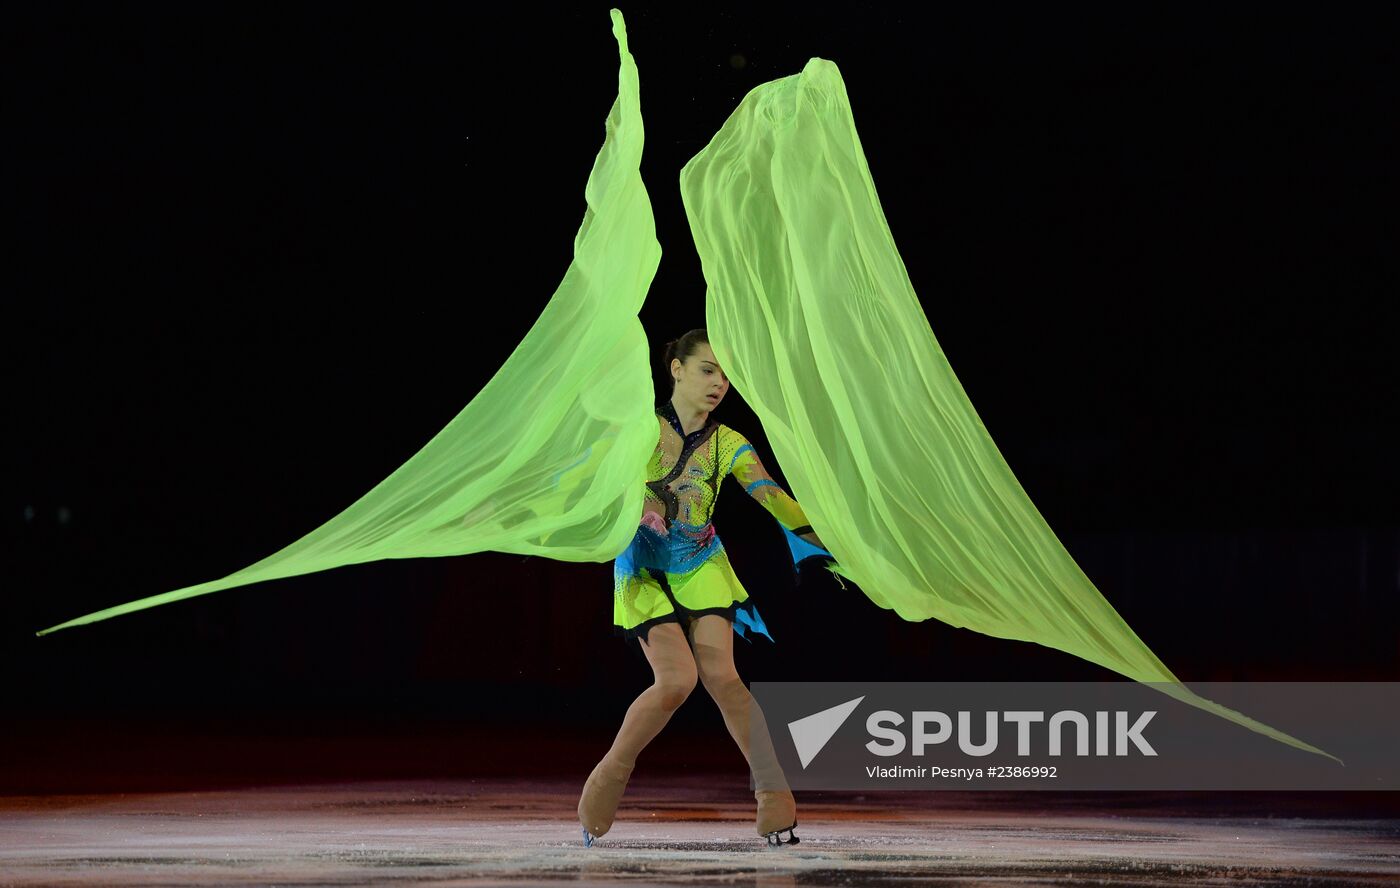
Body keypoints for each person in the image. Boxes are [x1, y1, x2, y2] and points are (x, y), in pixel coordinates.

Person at [577, 328, 830, 848]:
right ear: (677, 369)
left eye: (726, 374)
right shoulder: (638, 429)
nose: (720, 383)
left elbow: (772, 496)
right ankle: (607, 778)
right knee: (675, 682)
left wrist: (830, 539)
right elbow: (593, 486)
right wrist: (633, 507)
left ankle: (774, 798)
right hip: (642, 569)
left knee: (722, 676)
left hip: (701, 561)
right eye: (708, 370)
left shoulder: (729, 443)